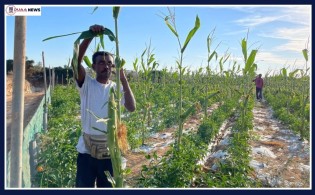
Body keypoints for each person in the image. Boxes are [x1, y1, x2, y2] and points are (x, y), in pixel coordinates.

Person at [73, 24, 136, 188]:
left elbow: (131, 107)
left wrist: (123, 79)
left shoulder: (116, 88)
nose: (106, 66)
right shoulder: (86, 84)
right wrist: (89, 37)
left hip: (110, 153)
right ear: (93, 67)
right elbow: (76, 61)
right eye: (101, 62)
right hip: (87, 152)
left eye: (109, 63)